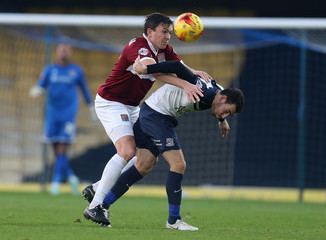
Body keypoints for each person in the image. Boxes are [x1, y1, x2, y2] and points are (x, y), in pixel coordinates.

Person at [83, 59, 245, 230]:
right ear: (223, 98)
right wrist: (146, 69)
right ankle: (174, 220)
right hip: (156, 116)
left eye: (229, 114)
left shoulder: (218, 93)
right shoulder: (203, 91)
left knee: (144, 164)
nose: (225, 114)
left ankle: (100, 206)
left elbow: (218, 103)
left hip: (152, 112)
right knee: (178, 164)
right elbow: (176, 66)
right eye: (227, 111)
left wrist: (221, 120)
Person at [83, 12, 211, 217]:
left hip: (133, 107)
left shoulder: (164, 50)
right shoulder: (139, 46)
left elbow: (178, 65)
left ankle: (97, 187)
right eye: (163, 32)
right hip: (112, 103)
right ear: (150, 32)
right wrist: (184, 83)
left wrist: (194, 72)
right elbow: (147, 68)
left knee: (147, 157)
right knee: (126, 151)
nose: (168, 36)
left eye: (169, 32)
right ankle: (95, 206)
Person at [29, 43, 95, 195]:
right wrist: (37, 90)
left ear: (70, 53)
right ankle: (71, 177)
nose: (64, 53)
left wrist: (91, 107)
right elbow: (41, 85)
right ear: (56, 52)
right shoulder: (49, 70)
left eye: (66, 50)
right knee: (57, 152)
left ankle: (56, 183)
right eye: (61, 50)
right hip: (52, 115)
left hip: (68, 116)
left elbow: (84, 90)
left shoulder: (76, 71)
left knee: (62, 149)